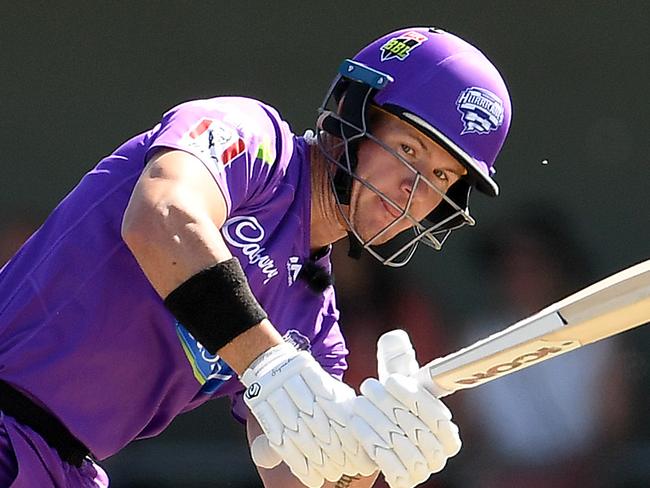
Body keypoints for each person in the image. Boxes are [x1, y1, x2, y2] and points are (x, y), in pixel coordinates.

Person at [0, 26, 511, 488]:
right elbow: (160, 217)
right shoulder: (252, 138)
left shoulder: (312, 322)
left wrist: (375, 445)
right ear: (355, 116)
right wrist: (266, 358)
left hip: (60, 470)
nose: (413, 189)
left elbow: (297, 478)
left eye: (443, 178)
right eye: (410, 149)